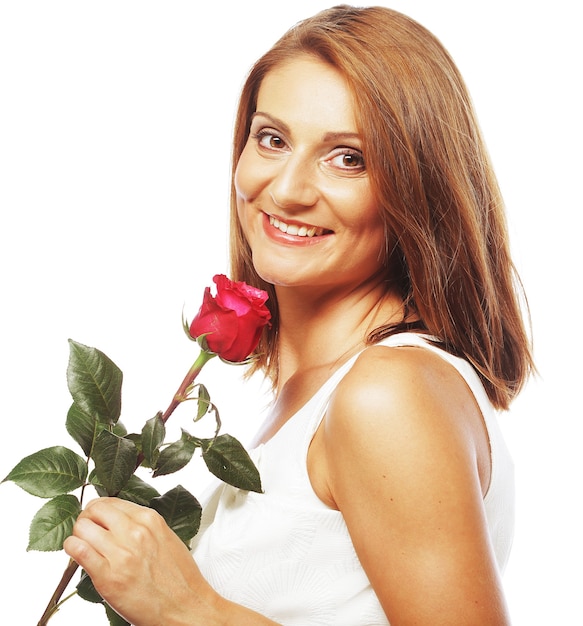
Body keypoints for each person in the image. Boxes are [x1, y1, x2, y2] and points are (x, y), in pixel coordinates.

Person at [63, 5, 534, 625]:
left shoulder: (386, 395)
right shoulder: (307, 398)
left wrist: (190, 611)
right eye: (272, 139)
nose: (286, 190)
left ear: (418, 188)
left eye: (349, 158)